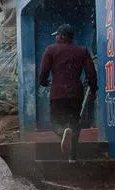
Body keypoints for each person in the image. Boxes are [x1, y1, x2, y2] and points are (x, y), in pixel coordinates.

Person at [39, 25, 97, 160]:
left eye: (57, 35)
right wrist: (93, 89)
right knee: (74, 124)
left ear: (62, 36)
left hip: (58, 93)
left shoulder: (51, 50)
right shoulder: (82, 51)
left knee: (55, 122)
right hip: (76, 94)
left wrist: (44, 82)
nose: (55, 37)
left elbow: (43, 73)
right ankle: (72, 157)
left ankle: (62, 132)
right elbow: (91, 73)